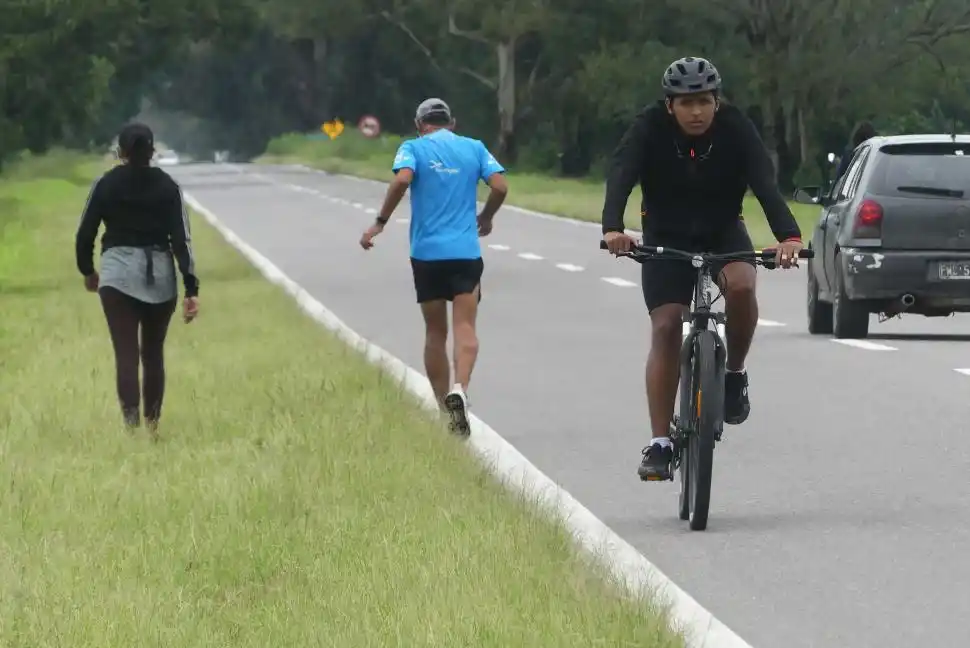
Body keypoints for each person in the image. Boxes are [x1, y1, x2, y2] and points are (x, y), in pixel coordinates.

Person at [600, 56, 803, 481]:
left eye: (705, 102)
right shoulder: (648, 127)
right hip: (664, 234)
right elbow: (621, 173)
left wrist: (789, 237)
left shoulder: (735, 127)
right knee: (667, 325)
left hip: (723, 230)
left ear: (717, 101)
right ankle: (659, 443)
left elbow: (764, 182)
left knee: (744, 287)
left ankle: (733, 375)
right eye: (687, 103)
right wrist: (613, 229)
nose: (697, 111)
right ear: (670, 105)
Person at [358, 98, 508, 434]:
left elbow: (401, 181)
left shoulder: (412, 148)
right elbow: (500, 185)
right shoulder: (474, 148)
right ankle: (461, 390)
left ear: (419, 124)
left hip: (426, 254)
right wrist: (486, 216)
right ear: (451, 123)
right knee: (465, 326)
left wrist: (380, 222)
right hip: (465, 252)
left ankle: (444, 410)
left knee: (435, 333)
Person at [75, 122, 200, 438]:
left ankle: (131, 426)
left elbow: (85, 234)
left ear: (122, 152)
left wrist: (88, 271)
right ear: (152, 150)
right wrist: (191, 287)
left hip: (117, 276)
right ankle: (153, 425)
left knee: (126, 353)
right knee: (153, 353)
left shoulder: (105, 184)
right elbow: (181, 240)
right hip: (159, 272)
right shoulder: (168, 186)